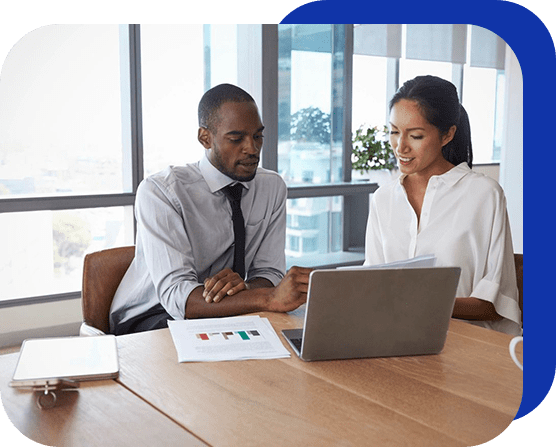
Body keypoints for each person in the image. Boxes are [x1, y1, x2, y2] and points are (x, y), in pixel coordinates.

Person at [109, 83, 311, 335]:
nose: (252, 149)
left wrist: (246, 288)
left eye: (258, 136)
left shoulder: (272, 187)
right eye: (236, 139)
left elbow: (268, 272)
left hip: (223, 312)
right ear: (205, 138)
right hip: (151, 318)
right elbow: (177, 298)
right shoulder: (161, 191)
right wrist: (268, 297)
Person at [364, 75, 521, 336]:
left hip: (466, 347)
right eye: (393, 132)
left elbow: (496, 304)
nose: (400, 146)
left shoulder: (483, 195)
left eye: (415, 135)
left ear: (447, 134)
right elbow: (371, 283)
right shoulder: (384, 198)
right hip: (392, 338)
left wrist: (422, 304)